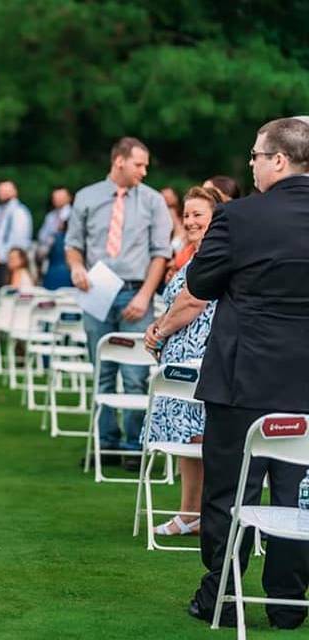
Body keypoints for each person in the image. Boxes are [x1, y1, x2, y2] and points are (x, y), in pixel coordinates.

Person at [185, 117, 309, 630]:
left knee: (228, 492)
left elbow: (201, 280)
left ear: (279, 160)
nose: (252, 163)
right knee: (297, 493)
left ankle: (223, 594)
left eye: (257, 155)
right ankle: (286, 602)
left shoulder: (238, 218)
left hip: (243, 375)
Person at [65, 136, 172, 465]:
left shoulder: (153, 201)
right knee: (102, 369)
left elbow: (160, 254)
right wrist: (76, 267)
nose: (144, 171)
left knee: (136, 372)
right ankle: (105, 446)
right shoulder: (86, 196)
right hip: (95, 290)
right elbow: (73, 244)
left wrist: (145, 295)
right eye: (140, 164)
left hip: (135, 290)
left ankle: (133, 449)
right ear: (119, 161)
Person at [140, 186, 224, 536]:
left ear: (215, 219)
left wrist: (159, 332)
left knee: (195, 440)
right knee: (189, 440)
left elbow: (194, 302)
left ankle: (195, 513)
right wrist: (158, 327)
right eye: (187, 214)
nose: (189, 221)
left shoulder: (214, 255)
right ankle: (192, 512)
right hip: (178, 353)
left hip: (197, 356)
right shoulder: (194, 254)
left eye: (197, 215)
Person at [0, 180, 32, 297]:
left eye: (6, 190)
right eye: (0, 190)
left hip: (8, 262)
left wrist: (0, 257)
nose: (2, 193)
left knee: (8, 296)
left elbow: (18, 240)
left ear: (14, 192)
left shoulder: (19, 212)